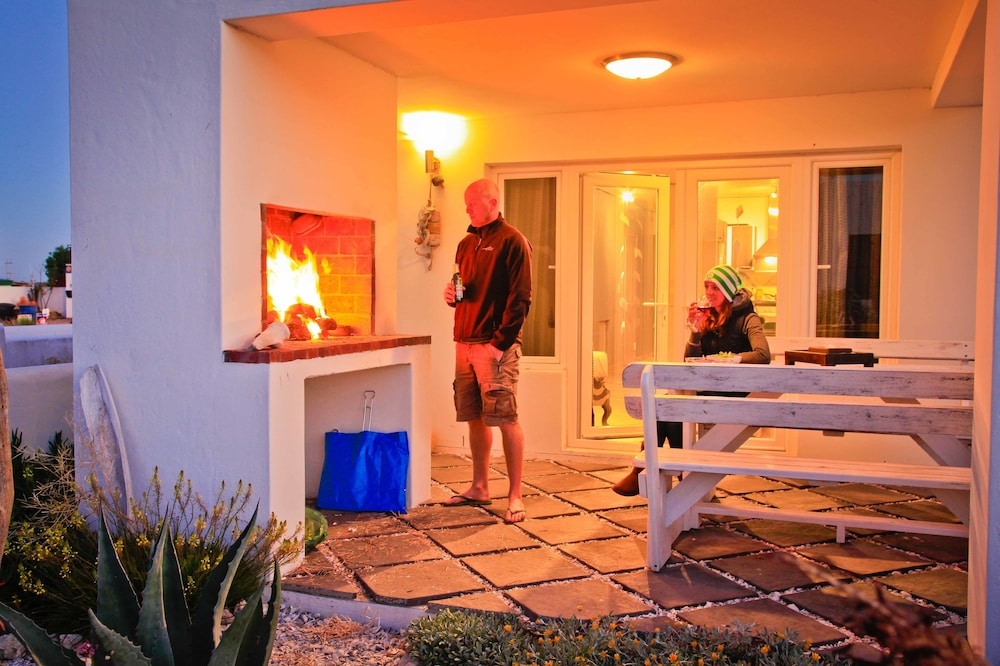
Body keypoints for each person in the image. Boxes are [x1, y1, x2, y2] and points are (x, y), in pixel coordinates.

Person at [612, 264, 770, 496]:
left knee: (672, 407)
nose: (709, 292)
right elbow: (689, 361)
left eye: (715, 287)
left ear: (728, 291)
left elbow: (763, 355)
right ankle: (666, 469)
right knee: (665, 404)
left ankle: (662, 471)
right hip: (708, 389)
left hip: (733, 393)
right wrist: (695, 332)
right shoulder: (709, 317)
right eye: (707, 286)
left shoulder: (748, 319)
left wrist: (730, 359)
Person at [442, 178, 533, 523]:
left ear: (493, 202)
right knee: (475, 417)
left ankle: (515, 496)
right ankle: (480, 486)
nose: (467, 209)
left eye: (473, 203)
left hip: (494, 347)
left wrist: (500, 344)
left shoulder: (513, 241)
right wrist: (452, 296)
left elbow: (520, 297)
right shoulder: (466, 244)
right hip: (464, 343)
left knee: (506, 419)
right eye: (466, 204)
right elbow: (463, 288)